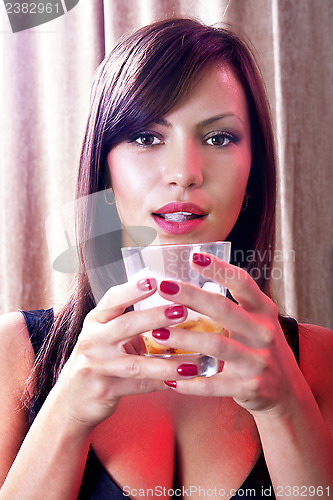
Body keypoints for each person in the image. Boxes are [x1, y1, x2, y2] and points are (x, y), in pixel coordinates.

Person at [0, 17, 332, 500]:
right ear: (104, 167)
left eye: (219, 138)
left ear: (253, 169)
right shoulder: (15, 355)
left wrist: (285, 408)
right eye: (147, 137)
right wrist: (68, 410)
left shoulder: (319, 362)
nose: (184, 173)